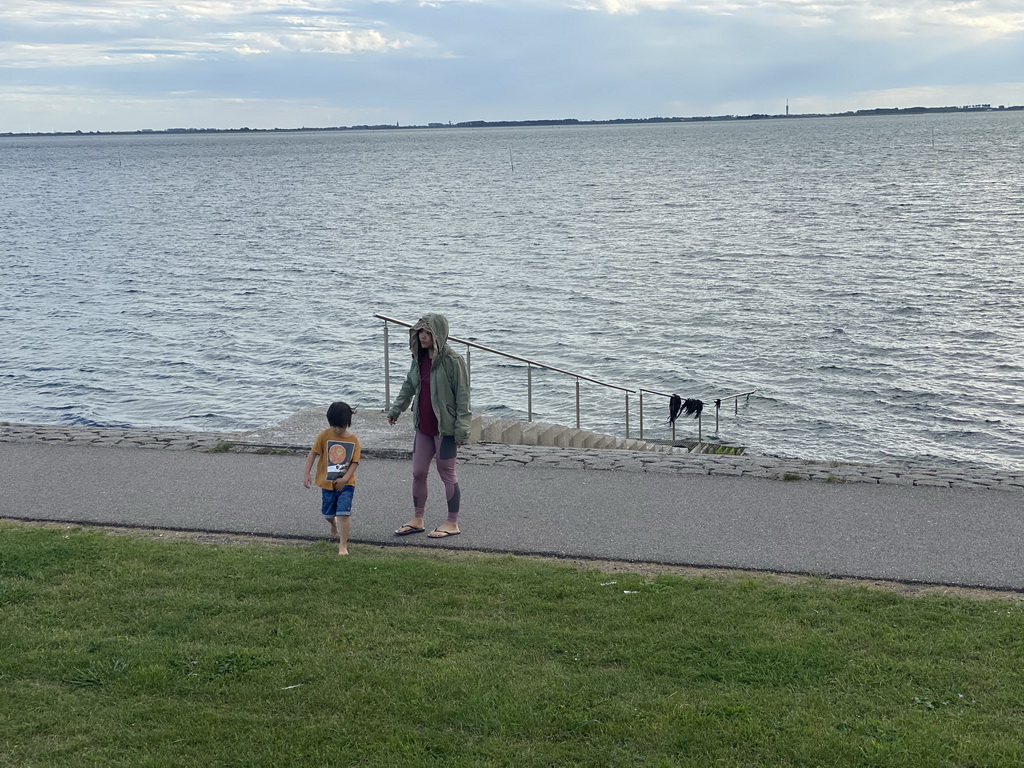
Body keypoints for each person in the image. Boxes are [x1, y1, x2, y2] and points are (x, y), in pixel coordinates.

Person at [387, 314, 471, 539]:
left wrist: (462, 429)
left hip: (445, 430)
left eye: (427, 333)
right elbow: (408, 386)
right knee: (418, 473)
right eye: (419, 332)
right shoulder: (418, 359)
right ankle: (417, 519)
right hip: (423, 428)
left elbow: (463, 398)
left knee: (447, 473)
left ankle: (452, 522)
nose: (422, 337)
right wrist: (396, 410)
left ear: (438, 335)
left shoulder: (453, 361)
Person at [303, 401, 361, 556]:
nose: (336, 430)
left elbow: (355, 462)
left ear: (347, 423)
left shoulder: (353, 439)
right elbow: (313, 454)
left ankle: (343, 545)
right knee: (328, 514)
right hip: (327, 483)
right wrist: (307, 473)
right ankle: (333, 525)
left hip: (346, 484)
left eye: (340, 427)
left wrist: (345, 479)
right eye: (333, 426)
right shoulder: (324, 435)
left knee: (343, 513)